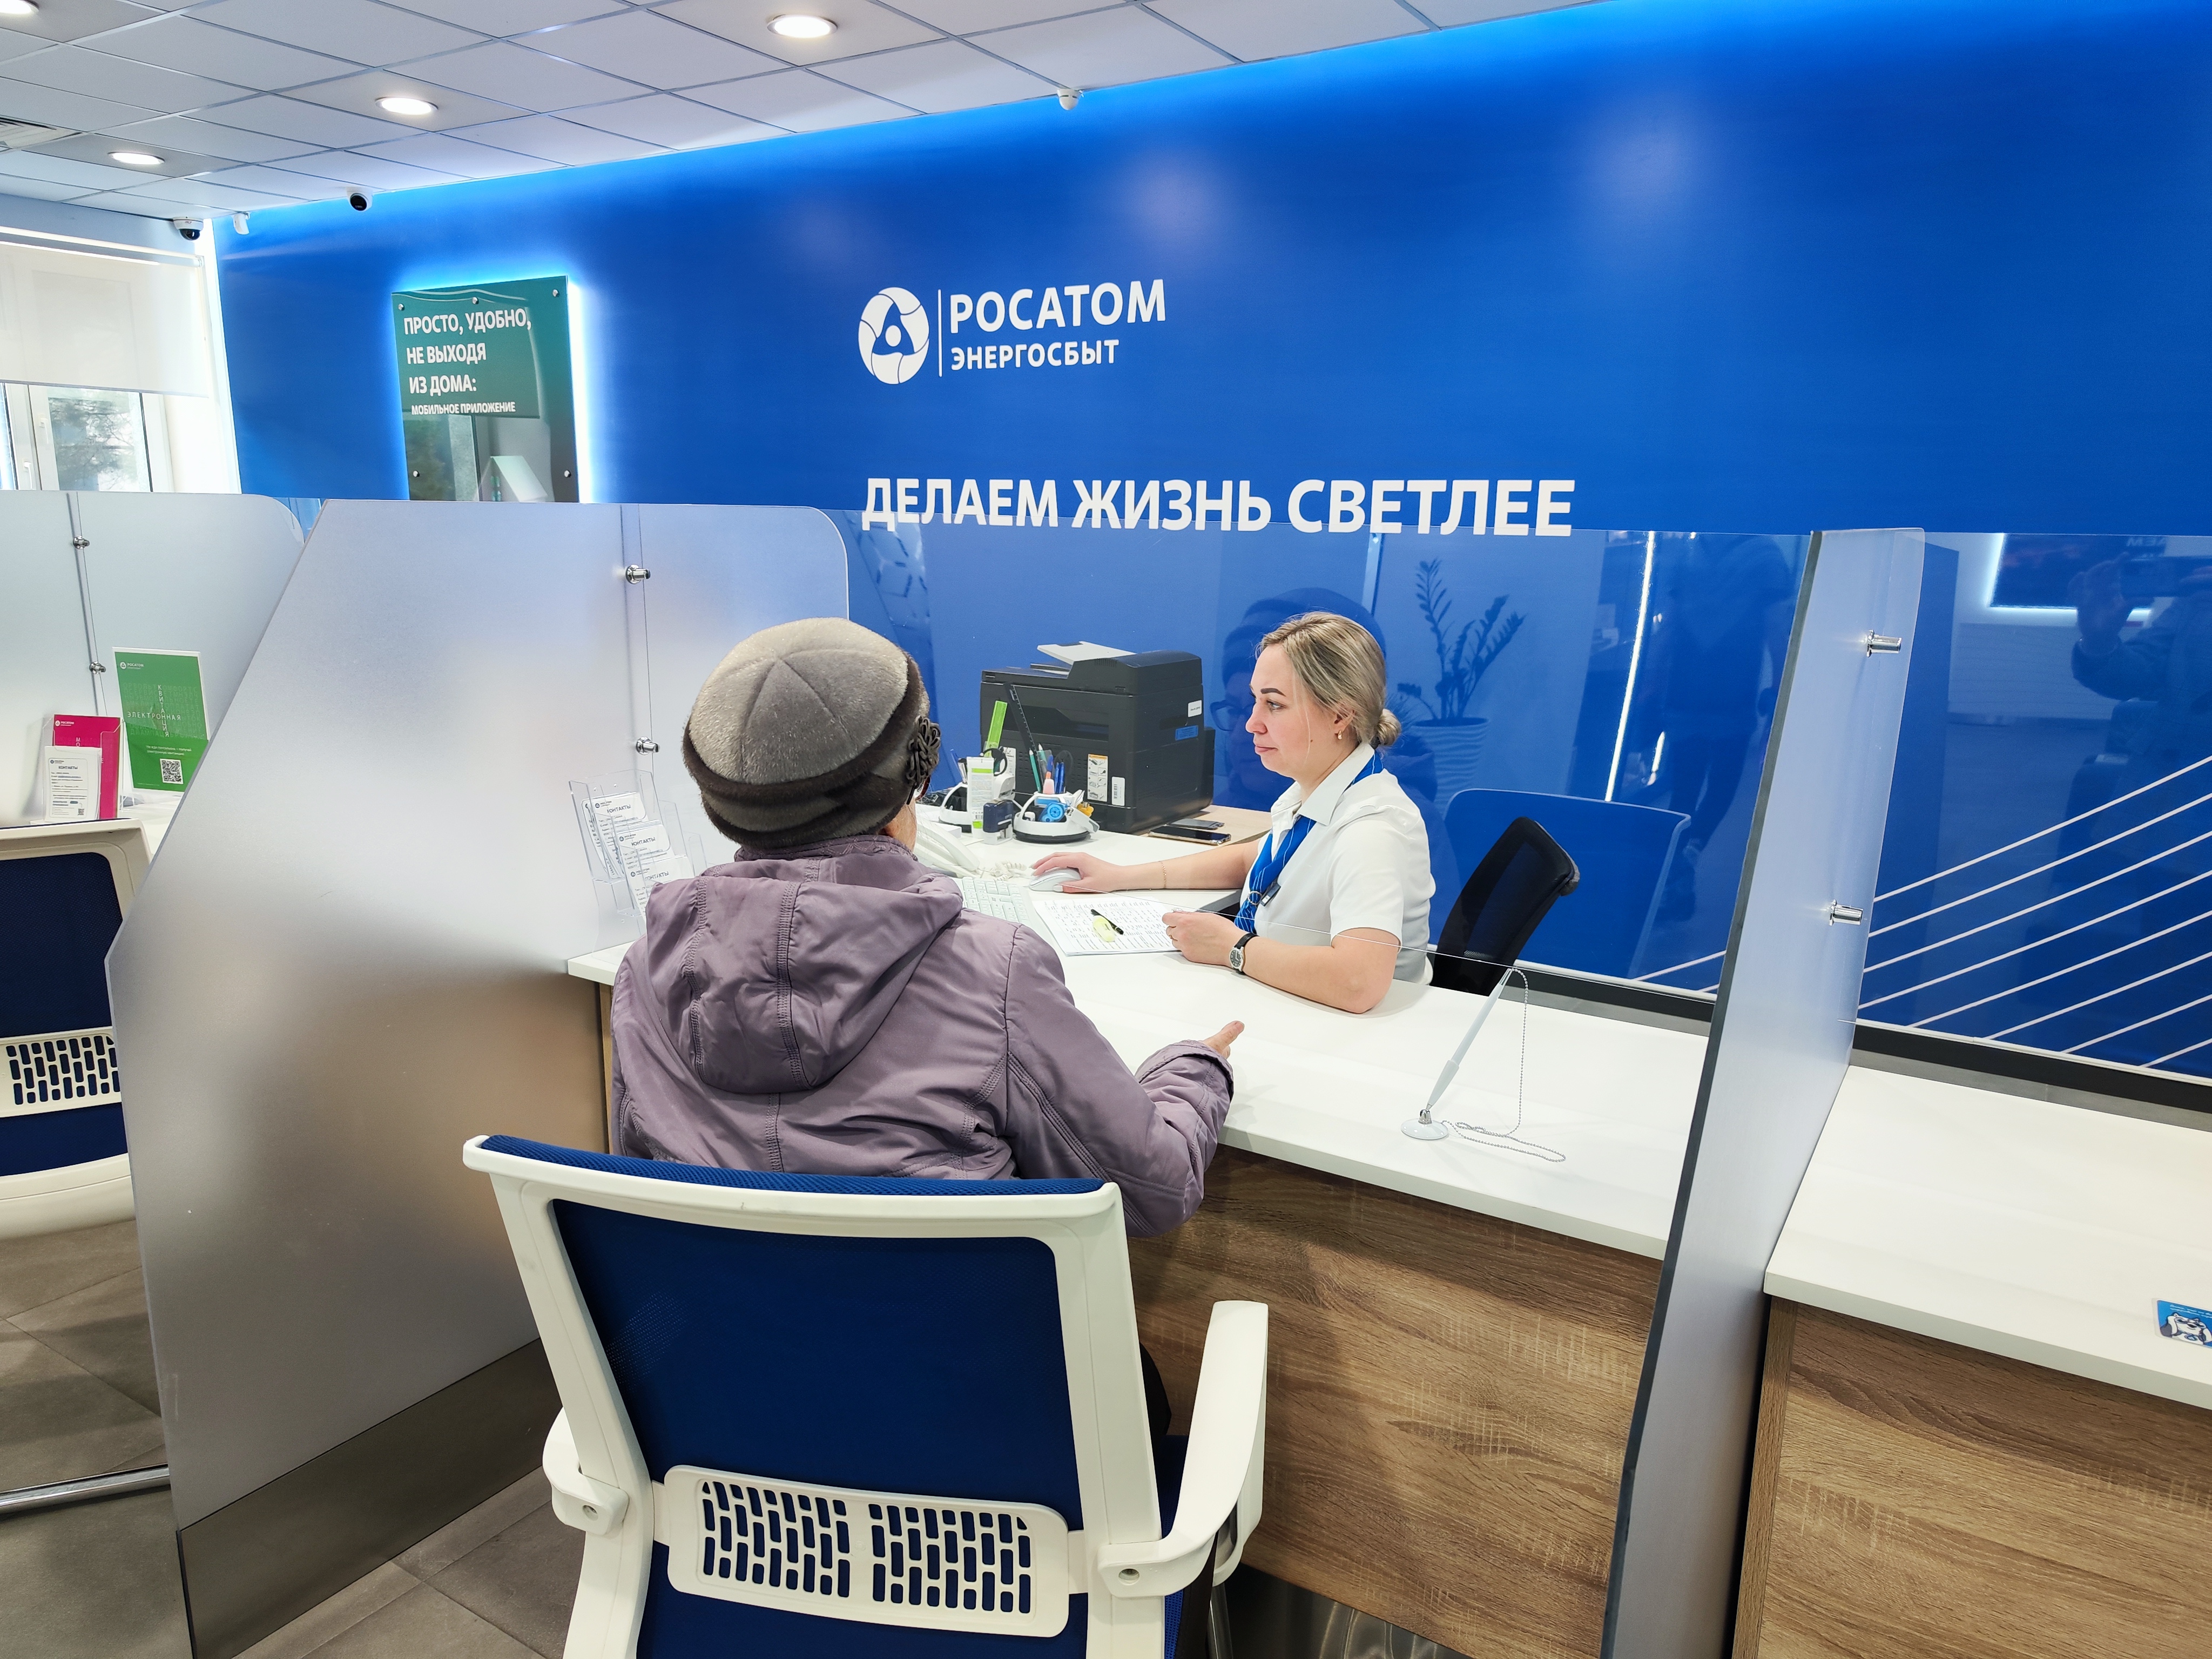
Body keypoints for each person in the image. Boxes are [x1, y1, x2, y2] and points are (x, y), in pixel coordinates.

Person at [608, 617, 1241, 1238]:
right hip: (945, 1310)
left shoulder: (647, 966)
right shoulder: (994, 971)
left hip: (710, 1307)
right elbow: (1151, 1192)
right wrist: (1195, 1068)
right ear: (910, 783)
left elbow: (642, 1180)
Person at [1036, 611, 1433, 1014]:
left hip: (1349, 1033)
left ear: (1339, 716)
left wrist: (1233, 948)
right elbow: (1255, 859)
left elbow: (1358, 982)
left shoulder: (1372, 829)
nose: (1252, 724)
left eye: (1274, 704)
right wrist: (1121, 877)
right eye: (1255, 701)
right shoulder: (1320, 788)